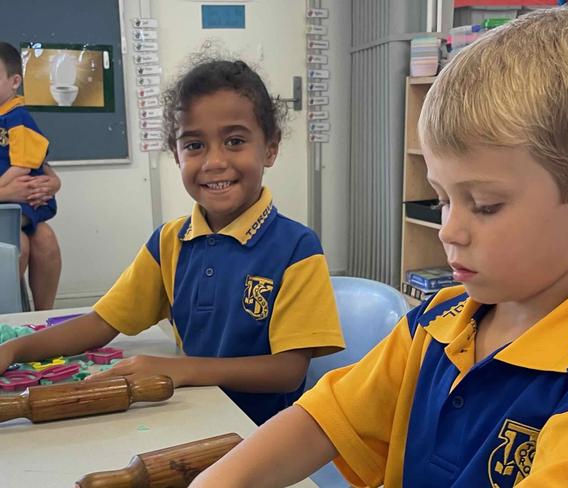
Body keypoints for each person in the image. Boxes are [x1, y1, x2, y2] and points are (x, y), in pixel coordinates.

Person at [190, 7, 568, 487]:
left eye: (486, 204)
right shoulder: (438, 323)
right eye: (444, 198)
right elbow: (320, 421)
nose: (449, 230)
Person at [0, 58, 345, 426]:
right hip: (192, 417)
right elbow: (101, 324)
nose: (214, 161)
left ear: (270, 148)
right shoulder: (169, 242)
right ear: (175, 152)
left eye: (235, 141)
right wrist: (14, 349)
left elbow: (287, 371)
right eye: (194, 145)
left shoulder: (296, 248)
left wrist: (179, 370)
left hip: (265, 435)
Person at [0, 42, 61, 310]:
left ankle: (40, 320)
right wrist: (5, 192)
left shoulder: (14, 117)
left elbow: (36, 164)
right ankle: (9, 314)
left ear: (14, 81)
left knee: (45, 239)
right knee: (17, 245)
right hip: (6, 203)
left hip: (12, 208)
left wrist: (52, 182)